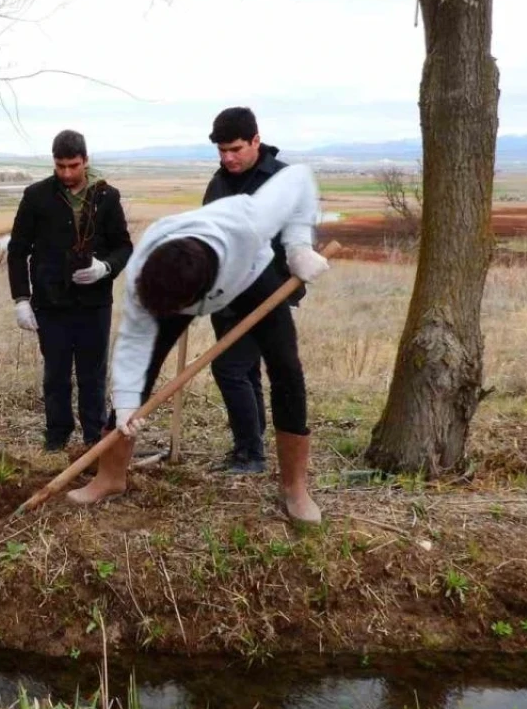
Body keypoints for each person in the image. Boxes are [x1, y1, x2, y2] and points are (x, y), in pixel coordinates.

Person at [66, 162, 330, 524]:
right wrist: (127, 406)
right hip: (176, 284)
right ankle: (110, 476)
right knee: (137, 379)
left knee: (286, 369)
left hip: (251, 276)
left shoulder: (249, 221)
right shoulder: (147, 274)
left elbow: (299, 177)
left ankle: (294, 489)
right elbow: (133, 343)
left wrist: (298, 246)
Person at [8, 130, 133, 451]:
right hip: (50, 302)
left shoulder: (107, 197)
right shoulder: (36, 196)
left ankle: (94, 435)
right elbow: (18, 249)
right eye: (60, 166)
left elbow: (123, 247)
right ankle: (57, 434)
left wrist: (105, 268)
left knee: (93, 373)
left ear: (86, 161)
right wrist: (21, 299)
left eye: (73, 166)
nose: (66, 173)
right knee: (56, 373)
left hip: (94, 304)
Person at [203, 107, 306, 474]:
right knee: (245, 374)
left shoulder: (283, 180)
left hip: (268, 300)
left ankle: (252, 454)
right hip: (225, 298)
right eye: (222, 151)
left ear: (256, 141)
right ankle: (250, 445)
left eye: (235, 149)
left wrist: (299, 260)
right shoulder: (219, 184)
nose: (228, 157)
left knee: (229, 368)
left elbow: (301, 233)